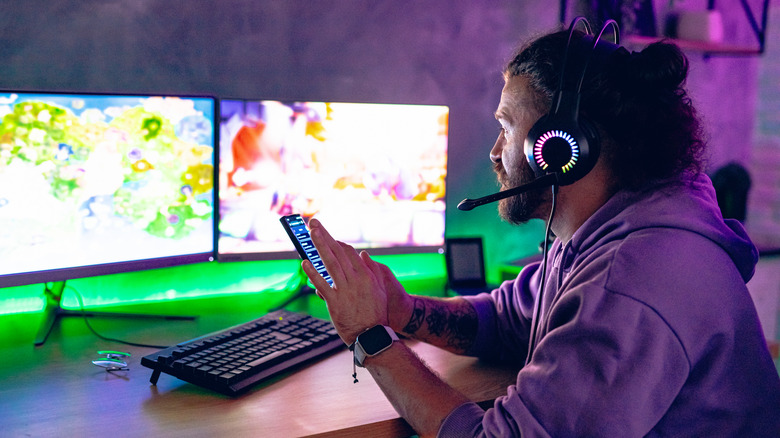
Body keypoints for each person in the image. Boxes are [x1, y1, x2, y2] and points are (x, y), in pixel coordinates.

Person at [300, 23, 780, 437]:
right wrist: (403, 311)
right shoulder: (602, 233)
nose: (493, 152)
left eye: (506, 127)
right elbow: (511, 319)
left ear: (558, 146)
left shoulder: (635, 278)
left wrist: (371, 335)